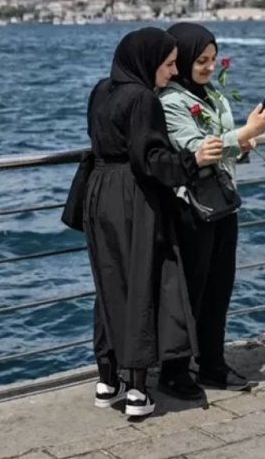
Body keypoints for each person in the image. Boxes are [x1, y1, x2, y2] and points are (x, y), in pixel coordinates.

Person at [83, 27, 224, 417]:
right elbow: (151, 160)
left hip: (98, 193)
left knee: (109, 282)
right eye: (168, 64)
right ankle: (137, 392)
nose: (172, 72)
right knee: (141, 283)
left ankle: (106, 380)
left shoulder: (100, 90)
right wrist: (192, 161)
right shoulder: (144, 98)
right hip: (132, 196)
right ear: (147, 63)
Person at [157, 22, 265, 399]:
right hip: (190, 207)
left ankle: (211, 362)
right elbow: (195, 147)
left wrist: (244, 143)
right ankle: (173, 369)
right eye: (200, 60)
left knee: (220, 287)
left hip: (223, 203)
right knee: (190, 289)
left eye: (211, 59)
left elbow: (224, 148)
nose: (206, 66)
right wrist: (243, 134)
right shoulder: (170, 102)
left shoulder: (214, 96)